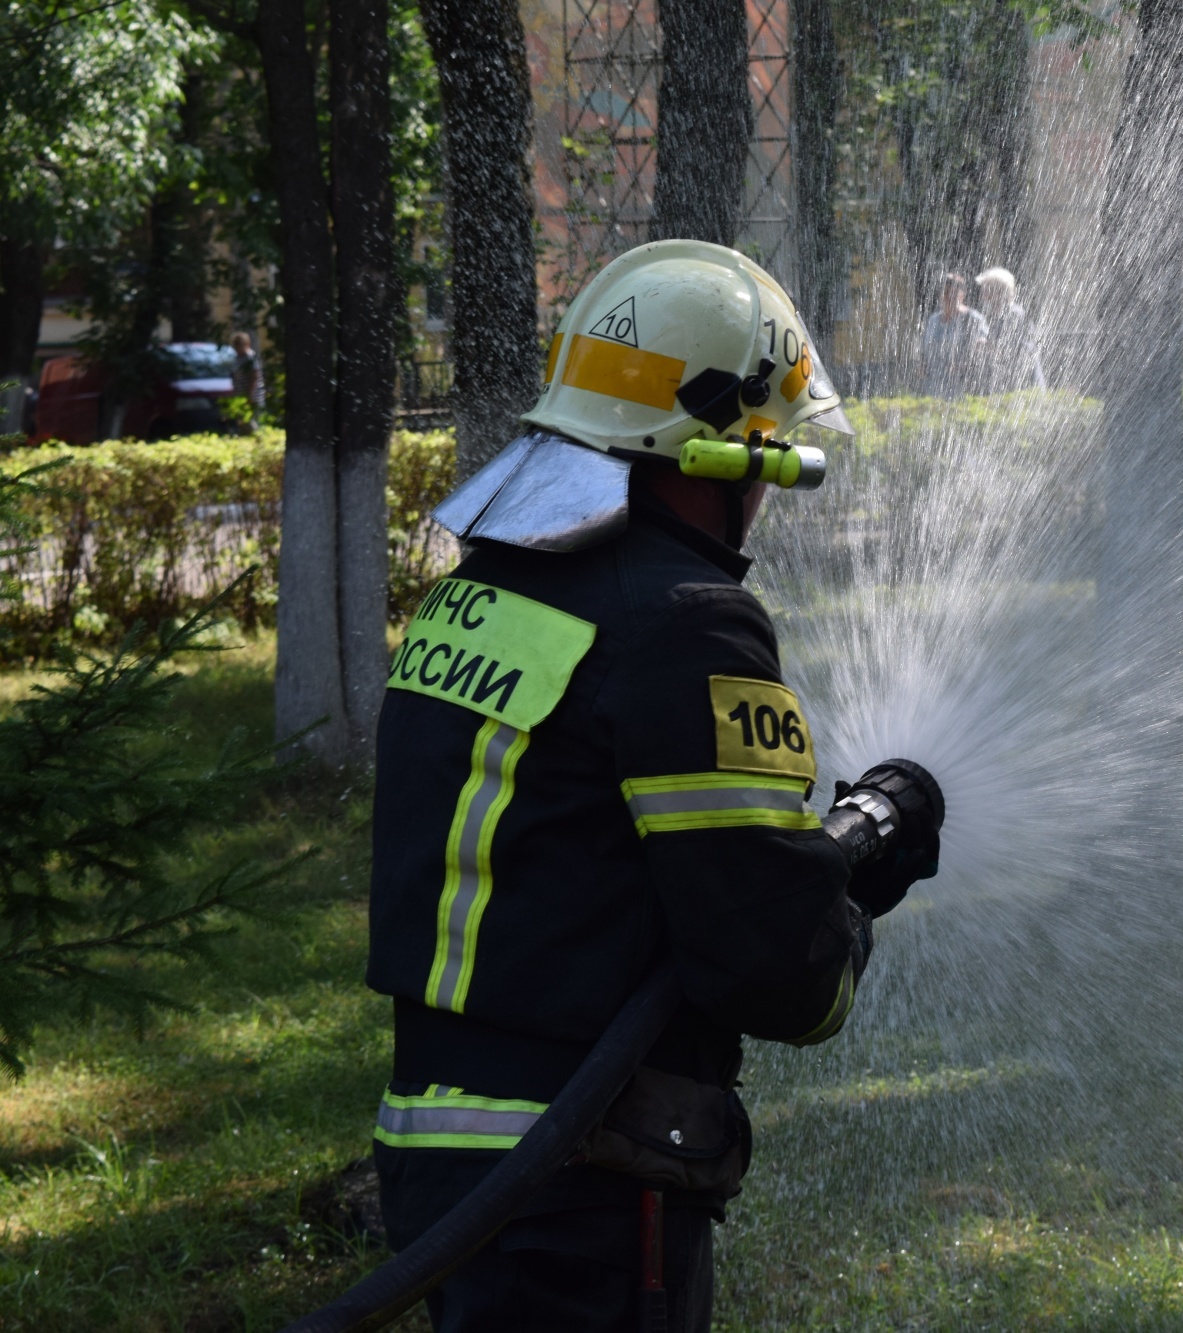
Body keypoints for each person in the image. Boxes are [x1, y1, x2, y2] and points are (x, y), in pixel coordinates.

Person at [367, 240, 944, 1333]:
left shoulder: (479, 595)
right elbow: (775, 971)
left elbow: (575, 851)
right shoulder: (686, 622)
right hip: (581, 1172)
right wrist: (849, 886)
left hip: (440, 1148)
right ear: (715, 448)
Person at [974, 266, 1047, 392]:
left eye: (986, 289)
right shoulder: (995, 316)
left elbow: (1023, 350)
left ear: (998, 290)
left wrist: (990, 346)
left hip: (1026, 386)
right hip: (1009, 385)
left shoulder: (1014, 314)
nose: (981, 295)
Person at [918, 272, 988, 395]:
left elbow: (984, 348)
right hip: (933, 387)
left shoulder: (972, 318)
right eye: (946, 292)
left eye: (954, 293)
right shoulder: (933, 320)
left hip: (963, 387)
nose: (950, 296)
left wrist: (964, 365)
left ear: (963, 295)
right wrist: (922, 364)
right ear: (941, 295)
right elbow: (924, 349)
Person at [228, 332, 264, 424]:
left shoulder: (250, 357)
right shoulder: (237, 358)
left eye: (239, 344)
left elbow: (254, 377)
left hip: (253, 395)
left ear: (246, 344)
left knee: (254, 420)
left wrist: (249, 395)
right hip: (240, 394)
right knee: (243, 421)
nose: (237, 348)